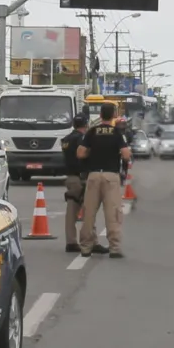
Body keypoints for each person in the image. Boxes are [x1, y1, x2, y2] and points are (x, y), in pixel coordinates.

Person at [73, 101, 132, 258]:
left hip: (93, 176)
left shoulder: (92, 132)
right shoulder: (117, 133)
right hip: (111, 176)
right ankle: (114, 248)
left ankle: (86, 247)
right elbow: (126, 155)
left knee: (89, 213)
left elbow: (80, 153)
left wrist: (91, 154)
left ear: (100, 115)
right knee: (113, 213)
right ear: (113, 115)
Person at [61, 108, 91, 253]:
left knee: (71, 212)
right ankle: (88, 241)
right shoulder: (82, 139)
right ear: (85, 125)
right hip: (81, 177)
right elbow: (85, 155)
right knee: (88, 210)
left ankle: (71, 241)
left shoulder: (66, 139)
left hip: (70, 177)